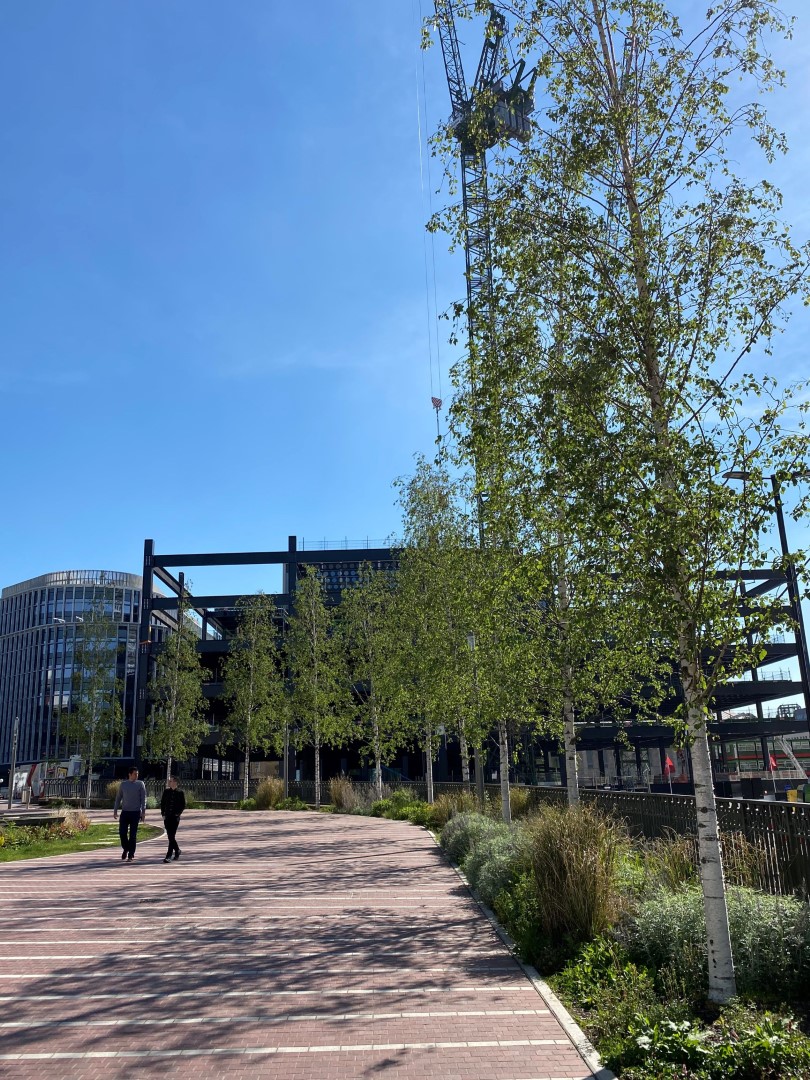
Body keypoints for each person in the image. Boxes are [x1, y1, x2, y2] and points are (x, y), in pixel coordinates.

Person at [113, 766, 146, 862]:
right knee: (122, 833)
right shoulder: (123, 784)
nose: (136, 776)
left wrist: (143, 812)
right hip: (125, 812)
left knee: (133, 835)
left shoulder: (140, 784)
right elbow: (118, 798)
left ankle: (131, 854)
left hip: (135, 813)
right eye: (135, 774)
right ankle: (126, 848)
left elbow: (143, 799)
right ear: (130, 774)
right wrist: (115, 810)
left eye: (137, 774)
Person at [160, 775, 186, 863]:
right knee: (170, 836)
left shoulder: (180, 792)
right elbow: (162, 803)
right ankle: (177, 850)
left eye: (170, 781)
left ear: (175, 782)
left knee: (171, 836)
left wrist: (178, 813)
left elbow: (183, 805)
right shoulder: (166, 791)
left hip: (175, 818)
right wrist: (163, 814)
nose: (169, 782)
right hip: (167, 817)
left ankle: (169, 855)